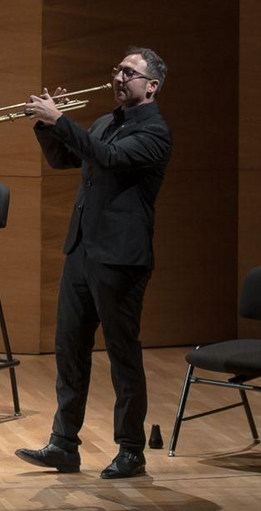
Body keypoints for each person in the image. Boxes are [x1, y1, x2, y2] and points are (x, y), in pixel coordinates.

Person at [15, 48, 172, 480]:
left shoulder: (155, 132)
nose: (118, 76)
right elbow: (64, 157)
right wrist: (47, 125)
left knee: (122, 354)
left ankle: (132, 450)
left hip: (121, 259)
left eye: (129, 71)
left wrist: (62, 121)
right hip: (82, 251)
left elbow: (109, 158)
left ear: (151, 86)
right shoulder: (106, 122)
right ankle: (64, 444)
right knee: (69, 349)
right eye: (117, 68)